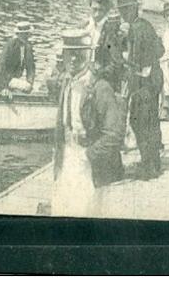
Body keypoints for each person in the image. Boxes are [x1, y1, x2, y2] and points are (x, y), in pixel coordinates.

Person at [52, 30, 124, 217]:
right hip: (66, 157)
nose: (73, 60)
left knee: (85, 212)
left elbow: (114, 134)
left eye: (79, 54)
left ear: (88, 55)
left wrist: (88, 155)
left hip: (89, 162)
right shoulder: (66, 82)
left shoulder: (100, 88)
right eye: (69, 54)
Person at [117, 0, 165, 179]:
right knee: (150, 121)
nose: (123, 15)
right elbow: (160, 50)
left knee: (140, 122)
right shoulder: (145, 25)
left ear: (133, 9)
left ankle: (149, 167)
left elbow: (135, 58)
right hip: (153, 79)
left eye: (125, 11)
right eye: (122, 11)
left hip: (145, 81)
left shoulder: (135, 29)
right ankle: (153, 162)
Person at [87, 0, 123, 90]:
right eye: (94, 9)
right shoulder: (84, 27)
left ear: (107, 11)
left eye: (101, 10)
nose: (97, 14)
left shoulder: (111, 32)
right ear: (90, 7)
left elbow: (115, 63)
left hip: (102, 76)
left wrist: (99, 73)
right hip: (82, 70)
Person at [0, 21, 36, 98]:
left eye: (27, 34)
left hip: (13, 78)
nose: (26, 37)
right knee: (12, 90)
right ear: (18, 34)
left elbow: (31, 67)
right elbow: (2, 66)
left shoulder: (28, 46)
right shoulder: (11, 45)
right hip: (1, 78)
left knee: (27, 87)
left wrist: (30, 82)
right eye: (24, 34)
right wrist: (3, 87)